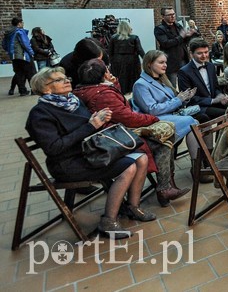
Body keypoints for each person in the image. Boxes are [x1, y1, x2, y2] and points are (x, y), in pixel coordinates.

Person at [26, 67, 154, 237]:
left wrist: (98, 118)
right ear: (45, 89)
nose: (67, 81)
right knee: (128, 167)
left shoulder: (73, 101)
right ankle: (108, 221)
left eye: (66, 77)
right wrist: (91, 125)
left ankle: (133, 206)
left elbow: (87, 126)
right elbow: (54, 148)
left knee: (142, 158)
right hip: (68, 163)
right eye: (59, 80)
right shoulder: (40, 114)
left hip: (90, 152)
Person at [74, 59, 189, 207]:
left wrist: (114, 85)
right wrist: (153, 119)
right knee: (163, 141)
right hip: (114, 139)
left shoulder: (88, 90)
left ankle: (166, 187)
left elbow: (118, 107)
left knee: (166, 136)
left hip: (112, 134)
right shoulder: (103, 94)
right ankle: (164, 188)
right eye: (107, 70)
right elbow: (127, 117)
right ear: (103, 75)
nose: (110, 72)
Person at [132, 50, 203, 175]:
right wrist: (178, 99)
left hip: (169, 116)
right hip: (155, 121)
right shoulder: (140, 84)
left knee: (198, 120)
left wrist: (185, 98)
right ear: (149, 64)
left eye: (165, 62)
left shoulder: (163, 80)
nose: (165, 65)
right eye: (161, 62)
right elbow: (152, 109)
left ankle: (197, 165)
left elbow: (174, 102)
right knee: (193, 123)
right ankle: (198, 167)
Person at [178, 38, 228, 119]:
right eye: (200, 53)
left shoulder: (211, 66)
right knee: (227, 114)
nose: (204, 56)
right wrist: (212, 101)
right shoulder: (184, 72)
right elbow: (189, 98)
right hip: (198, 107)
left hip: (213, 101)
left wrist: (221, 96)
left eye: (206, 52)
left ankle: (222, 132)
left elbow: (216, 87)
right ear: (191, 54)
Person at [154, 7, 197, 86]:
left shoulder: (178, 26)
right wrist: (181, 37)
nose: (173, 16)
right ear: (163, 16)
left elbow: (184, 41)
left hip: (183, 60)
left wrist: (189, 35)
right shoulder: (159, 29)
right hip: (170, 62)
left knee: (186, 84)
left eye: (173, 14)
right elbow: (166, 43)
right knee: (171, 86)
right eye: (169, 14)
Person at [108, 19, 145, 94]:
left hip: (117, 61)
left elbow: (110, 52)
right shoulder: (134, 37)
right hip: (132, 61)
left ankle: (120, 92)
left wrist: (111, 62)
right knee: (132, 78)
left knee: (120, 78)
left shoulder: (113, 38)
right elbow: (140, 50)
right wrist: (147, 60)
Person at [5, 17, 35, 96]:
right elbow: (25, 44)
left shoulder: (8, 33)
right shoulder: (20, 31)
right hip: (23, 56)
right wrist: (31, 52)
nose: (23, 24)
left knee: (19, 74)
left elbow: (4, 45)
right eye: (22, 22)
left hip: (14, 57)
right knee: (31, 73)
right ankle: (34, 90)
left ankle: (22, 91)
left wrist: (11, 52)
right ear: (19, 23)